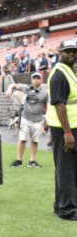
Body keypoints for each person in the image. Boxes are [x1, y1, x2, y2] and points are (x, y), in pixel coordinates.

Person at [45, 39, 77, 220]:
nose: (71, 54)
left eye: (74, 51)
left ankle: (61, 206)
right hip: (65, 129)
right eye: (68, 51)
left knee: (68, 168)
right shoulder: (59, 74)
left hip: (70, 127)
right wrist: (67, 133)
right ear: (60, 53)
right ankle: (67, 210)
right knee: (66, 169)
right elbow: (60, 106)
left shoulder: (69, 71)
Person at [5, 72, 47, 168]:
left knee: (35, 141)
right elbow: (13, 85)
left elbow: (48, 104)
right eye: (34, 78)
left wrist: (47, 118)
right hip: (26, 118)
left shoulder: (45, 92)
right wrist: (9, 90)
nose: (36, 80)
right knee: (22, 139)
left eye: (38, 78)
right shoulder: (26, 88)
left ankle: (32, 161)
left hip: (38, 119)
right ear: (31, 80)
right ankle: (19, 160)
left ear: (41, 80)